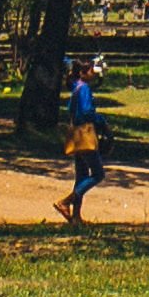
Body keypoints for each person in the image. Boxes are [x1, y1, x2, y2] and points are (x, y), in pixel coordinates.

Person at [57, 61, 106, 225]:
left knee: (82, 175)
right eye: (92, 71)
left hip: (76, 136)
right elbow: (87, 112)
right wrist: (101, 121)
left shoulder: (76, 88)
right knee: (98, 174)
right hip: (85, 135)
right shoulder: (84, 88)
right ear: (82, 73)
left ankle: (76, 217)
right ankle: (67, 201)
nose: (95, 74)